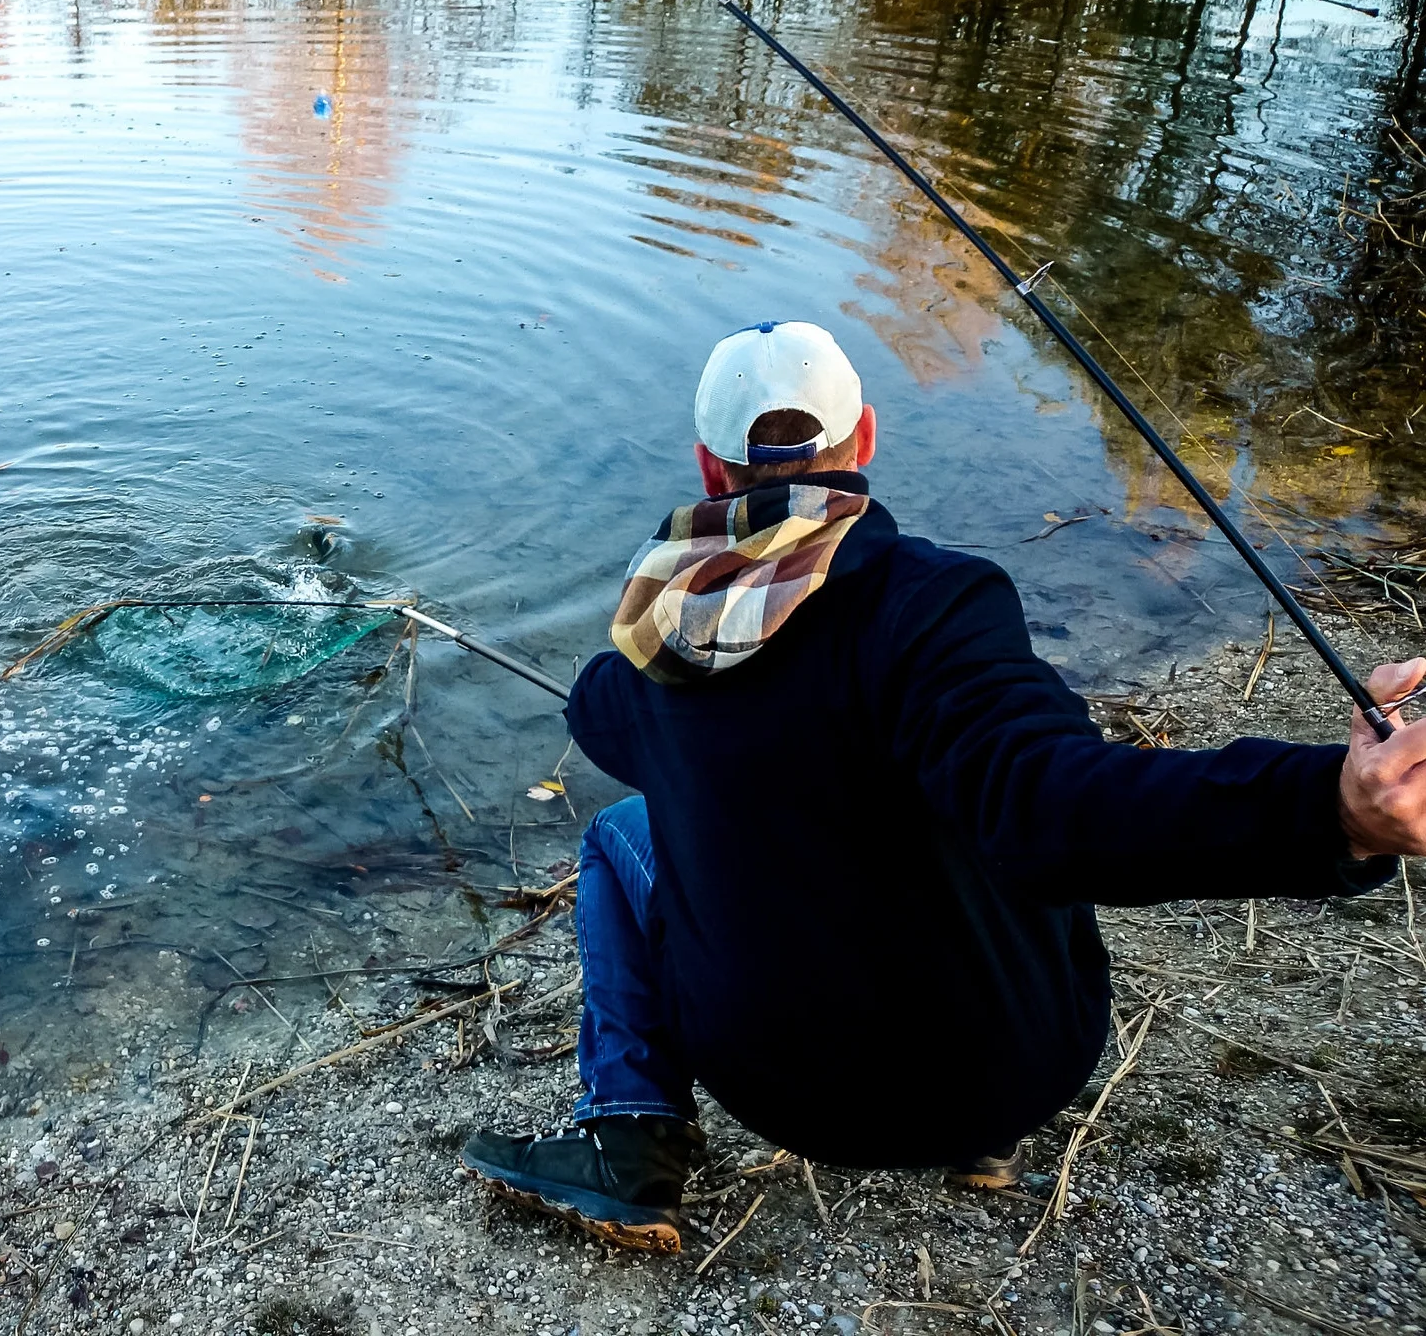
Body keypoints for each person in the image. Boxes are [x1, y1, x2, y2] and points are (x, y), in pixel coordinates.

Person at [458, 320, 1426, 1253]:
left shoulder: (660, 649)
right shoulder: (935, 606)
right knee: (975, 790)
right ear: (866, 441)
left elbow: (596, 716)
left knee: (621, 832)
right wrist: (1330, 808)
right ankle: (979, 1146)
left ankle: (628, 1132)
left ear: (709, 472)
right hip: (1014, 1074)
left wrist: (652, 684)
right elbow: (1054, 798)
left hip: (784, 1094)